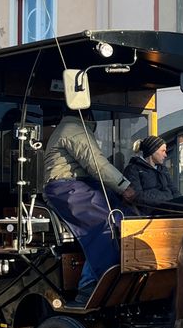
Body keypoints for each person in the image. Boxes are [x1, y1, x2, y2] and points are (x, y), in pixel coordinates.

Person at [43, 114, 137, 305]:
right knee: (105, 224)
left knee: (129, 218)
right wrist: (123, 185)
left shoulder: (75, 128)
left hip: (81, 185)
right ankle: (90, 283)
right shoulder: (73, 129)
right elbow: (96, 163)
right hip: (67, 188)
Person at [124, 135, 183, 208]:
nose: (165, 155)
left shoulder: (162, 169)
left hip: (168, 205)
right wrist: (166, 197)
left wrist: (180, 202)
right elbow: (136, 195)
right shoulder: (133, 169)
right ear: (153, 151)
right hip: (152, 209)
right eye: (163, 151)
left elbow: (173, 189)